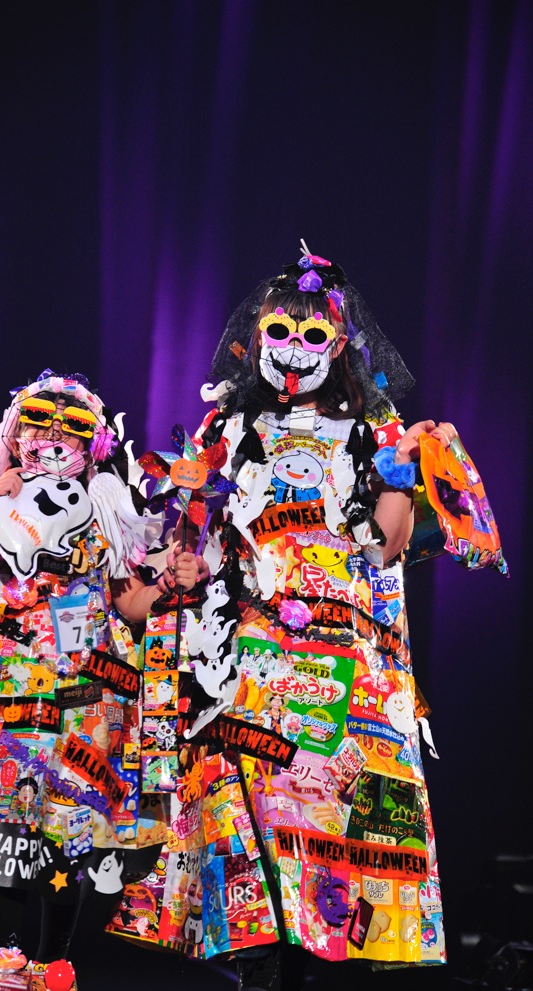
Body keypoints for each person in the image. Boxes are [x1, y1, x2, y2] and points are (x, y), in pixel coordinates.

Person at [107, 246, 460, 988]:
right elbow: (192, 541)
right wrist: (185, 566)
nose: (293, 349)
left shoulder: (375, 429)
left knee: (332, 855)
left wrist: (402, 468)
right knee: (252, 863)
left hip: (344, 672)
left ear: (340, 344)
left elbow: (386, 545)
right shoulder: (228, 430)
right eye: (278, 331)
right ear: (256, 336)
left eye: (312, 334)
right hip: (250, 665)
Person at [0, 369, 202, 991]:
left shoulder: (106, 508)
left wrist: (168, 582)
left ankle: (55, 961)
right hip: (4, 688)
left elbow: (128, 600)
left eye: (74, 426)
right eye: (39, 421)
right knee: (2, 819)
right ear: (15, 434)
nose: (55, 436)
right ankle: (4, 960)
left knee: (73, 826)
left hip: (86, 693)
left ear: (94, 442)